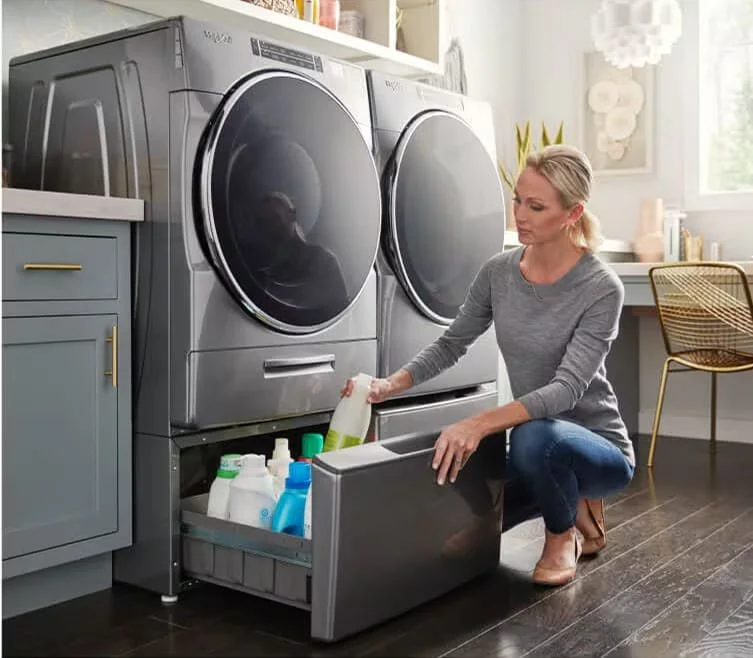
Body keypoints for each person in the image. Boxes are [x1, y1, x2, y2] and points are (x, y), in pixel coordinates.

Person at [341, 144, 635, 587]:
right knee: (443, 497)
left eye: (536, 206)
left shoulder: (601, 287)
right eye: (517, 199)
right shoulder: (499, 272)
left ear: (572, 214)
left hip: (598, 448)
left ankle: (562, 536)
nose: (521, 214)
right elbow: (452, 342)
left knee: (534, 437)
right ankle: (560, 508)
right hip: (536, 447)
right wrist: (390, 384)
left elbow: (565, 391)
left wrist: (479, 423)